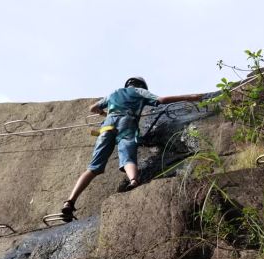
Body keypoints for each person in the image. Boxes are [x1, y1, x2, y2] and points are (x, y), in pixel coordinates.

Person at [60, 76, 204, 222]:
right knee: (127, 157)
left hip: (107, 126)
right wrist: (191, 97)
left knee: (93, 168)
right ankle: (134, 181)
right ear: (141, 85)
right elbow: (161, 100)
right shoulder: (139, 91)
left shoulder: (114, 93)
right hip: (126, 123)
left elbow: (93, 108)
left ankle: (69, 202)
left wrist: (106, 114)